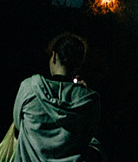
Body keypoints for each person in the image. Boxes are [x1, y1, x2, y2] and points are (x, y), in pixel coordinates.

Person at [12, 33, 102, 162]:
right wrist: (83, 92)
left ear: (54, 56)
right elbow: (88, 138)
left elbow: (18, 124)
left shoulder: (29, 87)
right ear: (79, 63)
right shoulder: (90, 101)